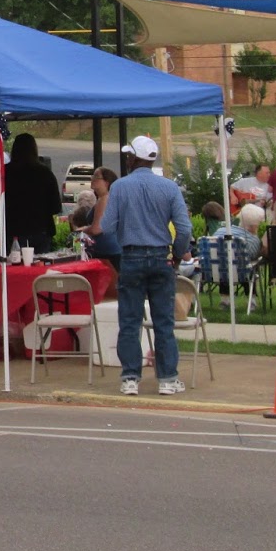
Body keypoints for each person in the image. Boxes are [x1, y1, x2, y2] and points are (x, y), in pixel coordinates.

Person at [99, 135, 193, 396]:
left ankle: (130, 377)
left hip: (131, 256)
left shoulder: (120, 187)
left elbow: (107, 226)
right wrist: (178, 254)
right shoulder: (169, 187)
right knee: (164, 322)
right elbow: (184, 228)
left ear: (133, 158)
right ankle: (167, 378)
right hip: (161, 256)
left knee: (130, 320)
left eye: (128, 155)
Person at [3, 132, 59, 253]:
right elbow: (56, 207)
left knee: (15, 263)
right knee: (41, 263)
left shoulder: (5, 173)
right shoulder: (45, 173)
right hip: (41, 230)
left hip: (14, 230)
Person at [78, 166, 122, 271]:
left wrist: (82, 230)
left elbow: (96, 229)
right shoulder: (107, 198)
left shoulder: (105, 199)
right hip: (111, 250)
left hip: (107, 252)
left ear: (106, 182)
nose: (92, 179)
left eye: (96, 177)